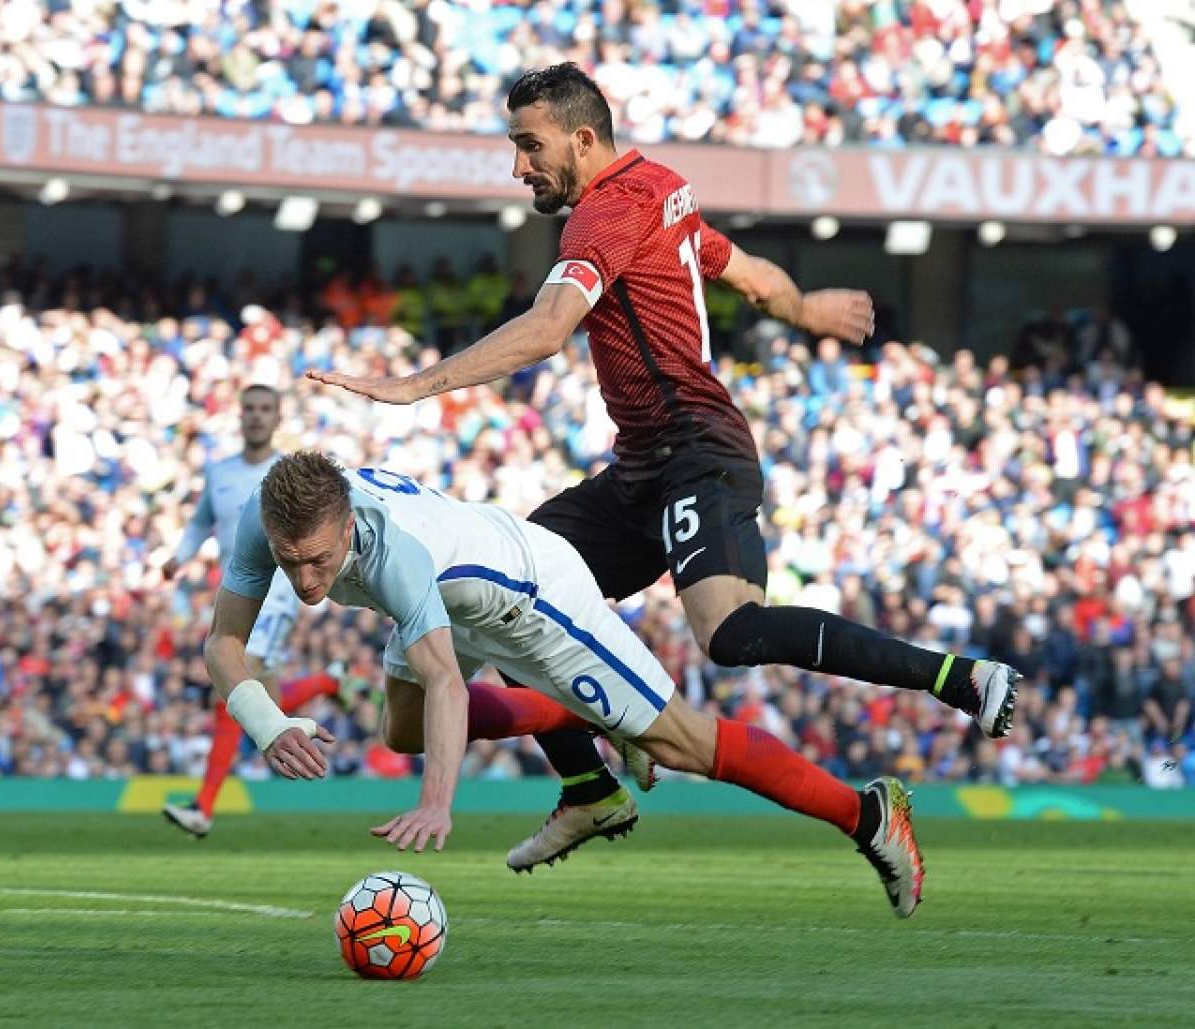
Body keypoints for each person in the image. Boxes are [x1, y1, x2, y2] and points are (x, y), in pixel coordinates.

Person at [307, 62, 1019, 871]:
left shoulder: (604, 214)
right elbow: (747, 274)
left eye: (528, 146)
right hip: (639, 470)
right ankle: (590, 790)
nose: (518, 167)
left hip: (698, 454)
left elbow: (547, 329)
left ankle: (958, 677)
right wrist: (803, 307)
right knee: (504, 589)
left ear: (582, 137)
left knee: (733, 632)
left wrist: (411, 386)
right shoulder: (661, 189)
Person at [204, 452, 925, 918]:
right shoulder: (260, 520)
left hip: (532, 594)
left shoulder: (394, 553)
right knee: (399, 730)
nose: (303, 581)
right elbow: (222, 644)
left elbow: (449, 684)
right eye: (289, 559)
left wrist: (435, 803)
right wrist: (271, 724)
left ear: (347, 526)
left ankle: (866, 815)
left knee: (681, 741)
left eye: (319, 560)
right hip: (456, 593)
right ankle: (577, 719)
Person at [160, 385, 338, 837]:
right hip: (236, 595)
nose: (257, 417)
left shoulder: (285, 477)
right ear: (239, 417)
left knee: (233, 693)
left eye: (265, 410)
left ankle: (203, 807)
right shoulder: (219, 472)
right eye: (250, 409)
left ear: (277, 418)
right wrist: (180, 557)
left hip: (277, 593)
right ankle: (335, 682)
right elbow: (202, 520)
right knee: (268, 701)